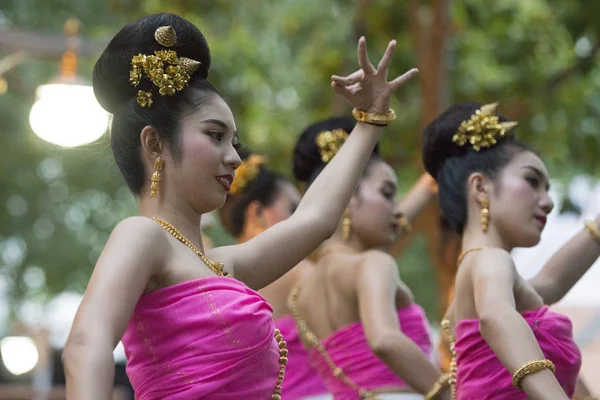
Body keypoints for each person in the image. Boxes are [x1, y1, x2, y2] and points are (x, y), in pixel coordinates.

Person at [62, 12, 418, 400]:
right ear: (154, 144)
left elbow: (315, 220)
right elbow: (86, 345)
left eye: (235, 143)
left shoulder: (222, 267)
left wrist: (370, 121)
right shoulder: (142, 235)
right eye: (215, 135)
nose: (234, 157)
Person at [423, 102, 598, 399]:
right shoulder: (491, 260)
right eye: (532, 181)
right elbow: (497, 317)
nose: (548, 201)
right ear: (480, 187)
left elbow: (550, 283)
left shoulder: (479, 271)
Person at [289, 116, 448, 400]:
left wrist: (427, 185)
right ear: (346, 196)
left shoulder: (301, 295)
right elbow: (385, 339)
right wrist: (448, 392)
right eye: (387, 193)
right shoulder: (373, 263)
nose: (396, 210)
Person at [218, 150, 330, 399]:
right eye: (293, 209)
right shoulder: (296, 272)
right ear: (257, 214)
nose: (303, 222)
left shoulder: (214, 279)